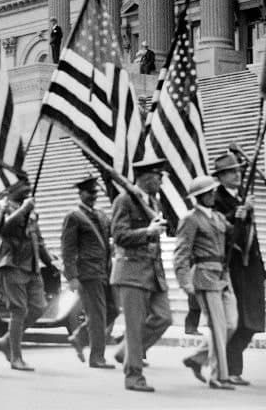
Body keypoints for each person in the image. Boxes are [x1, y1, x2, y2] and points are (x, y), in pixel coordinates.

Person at [110, 154, 172, 392]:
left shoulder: (153, 203)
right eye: (158, 177)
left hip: (153, 271)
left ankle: (127, 351)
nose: (161, 182)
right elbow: (119, 236)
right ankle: (133, 375)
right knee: (134, 326)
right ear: (146, 177)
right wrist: (148, 231)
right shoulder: (124, 201)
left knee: (164, 317)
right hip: (131, 270)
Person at [175, 175, 236, 390]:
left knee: (230, 324)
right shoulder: (190, 219)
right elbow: (181, 253)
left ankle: (198, 358)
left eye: (213, 192)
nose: (212, 195)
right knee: (219, 327)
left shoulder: (218, 217)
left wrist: (244, 212)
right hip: (204, 275)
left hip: (222, 275)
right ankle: (218, 376)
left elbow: (233, 230)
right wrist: (184, 281)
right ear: (199, 197)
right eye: (208, 193)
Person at [211, 152, 266, 385]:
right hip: (231, 265)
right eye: (232, 171)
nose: (238, 174)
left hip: (249, 266)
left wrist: (262, 269)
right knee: (239, 320)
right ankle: (232, 369)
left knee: (253, 320)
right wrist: (237, 213)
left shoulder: (242, 197)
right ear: (221, 176)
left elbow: (252, 237)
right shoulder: (216, 198)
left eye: (239, 170)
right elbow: (215, 227)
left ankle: (211, 361)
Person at [0, 171, 53, 372]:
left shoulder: (31, 209)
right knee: (18, 310)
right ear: (13, 187)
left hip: (32, 265)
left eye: (29, 183)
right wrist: (24, 209)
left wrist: (50, 260)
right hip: (12, 263)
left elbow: (38, 237)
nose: (28, 187)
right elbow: (4, 229)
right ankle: (15, 357)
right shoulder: (3, 207)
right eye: (23, 183)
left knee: (39, 307)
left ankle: (7, 341)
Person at [61, 175, 116, 369]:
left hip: (105, 270)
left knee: (113, 310)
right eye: (89, 192)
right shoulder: (74, 216)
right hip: (88, 273)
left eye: (95, 192)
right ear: (81, 193)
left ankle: (79, 336)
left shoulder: (101, 215)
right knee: (98, 314)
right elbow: (67, 249)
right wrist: (72, 276)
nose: (93, 196)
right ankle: (97, 357)